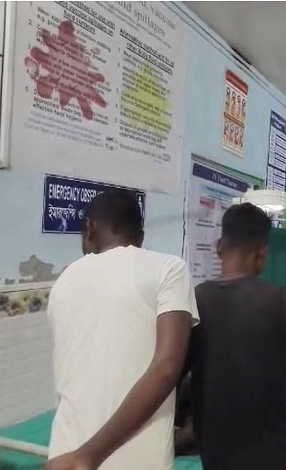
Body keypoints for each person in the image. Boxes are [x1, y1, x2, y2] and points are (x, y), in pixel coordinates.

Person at [44, 191, 198, 470]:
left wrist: (82, 455)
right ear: (140, 237)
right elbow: (166, 369)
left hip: (65, 456)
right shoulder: (168, 270)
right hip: (132, 460)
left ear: (90, 227)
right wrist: (90, 454)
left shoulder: (65, 280)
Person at [189, 203, 286, 470]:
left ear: (219, 247)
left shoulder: (194, 301)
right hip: (275, 452)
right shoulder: (282, 302)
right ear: (262, 251)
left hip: (214, 452)